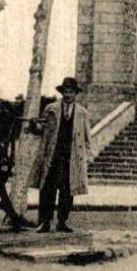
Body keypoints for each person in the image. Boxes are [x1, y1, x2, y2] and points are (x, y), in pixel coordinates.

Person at [29, 76, 91, 233]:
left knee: (67, 191)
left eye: (71, 92)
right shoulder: (51, 109)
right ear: (62, 92)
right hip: (53, 156)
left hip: (71, 158)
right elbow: (40, 130)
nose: (68, 95)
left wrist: (87, 157)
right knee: (47, 189)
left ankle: (62, 222)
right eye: (66, 91)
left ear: (75, 94)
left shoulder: (82, 113)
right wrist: (33, 124)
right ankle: (45, 222)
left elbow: (87, 137)